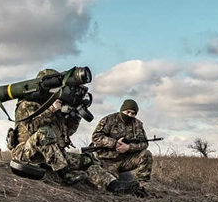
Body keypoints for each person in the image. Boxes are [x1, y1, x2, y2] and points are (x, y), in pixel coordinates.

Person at [10, 69, 139, 194]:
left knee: (88, 160)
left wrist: (75, 116)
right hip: (26, 153)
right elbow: (30, 126)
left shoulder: (56, 104)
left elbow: (68, 132)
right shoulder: (27, 104)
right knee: (44, 132)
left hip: (52, 155)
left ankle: (113, 185)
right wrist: (51, 111)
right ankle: (65, 174)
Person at [90, 99, 153, 188]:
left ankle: (142, 186)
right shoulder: (109, 119)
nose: (129, 115)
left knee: (146, 154)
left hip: (125, 160)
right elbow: (96, 137)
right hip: (107, 160)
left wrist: (128, 147)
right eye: (127, 112)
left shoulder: (137, 124)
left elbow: (144, 143)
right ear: (122, 110)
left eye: (133, 113)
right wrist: (114, 143)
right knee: (111, 184)